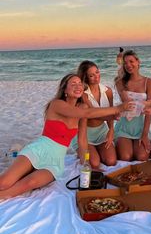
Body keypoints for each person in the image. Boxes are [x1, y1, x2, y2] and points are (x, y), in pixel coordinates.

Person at [0, 74, 133, 200]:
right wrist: (118, 108)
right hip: (38, 150)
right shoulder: (57, 104)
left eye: (80, 83)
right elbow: (87, 112)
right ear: (65, 90)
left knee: (31, 182)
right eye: (73, 83)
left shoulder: (82, 107)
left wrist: (85, 162)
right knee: (4, 183)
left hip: (56, 160)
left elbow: (82, 141)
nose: (78, 86)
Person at [71, 60, 117, 169]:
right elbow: (93, 114)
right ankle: (84, 152)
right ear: (85, 78)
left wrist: (111, 130)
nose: (96, 77)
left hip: (102, 132)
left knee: (111, 161)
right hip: (85, 134)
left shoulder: (108, 91)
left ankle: (95, 151)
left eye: (97, 72)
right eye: (91, 75)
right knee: (95, 163)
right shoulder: (83, 94)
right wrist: (115, 113)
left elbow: (110, 111)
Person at [115, 50, 151, 161]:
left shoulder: (149, 82)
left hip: (141, 127)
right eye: (125, 63)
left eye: (131, 61)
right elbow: (128, 106)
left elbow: (149, 110)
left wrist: (145, 134)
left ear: (138, 62)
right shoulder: (120, 83)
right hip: (124, 127)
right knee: (126, 157)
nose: (128, 65)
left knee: (142, 157)